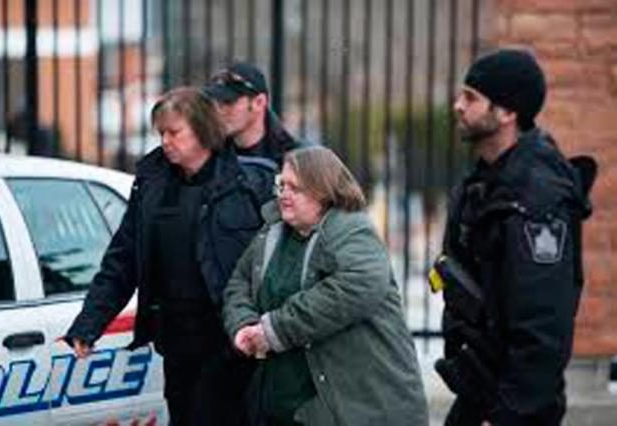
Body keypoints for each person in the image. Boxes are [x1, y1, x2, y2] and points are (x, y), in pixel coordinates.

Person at [65, 87, 275, 425]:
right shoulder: (152, 185)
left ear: (203, 131)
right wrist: (90, 324)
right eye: (161, 132)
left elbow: (276, 259)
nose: (165, 141)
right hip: (176, 340)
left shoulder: (251, 184)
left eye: (174, 132)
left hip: (230, 341)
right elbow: (122, 259)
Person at [435, 49, 596, 425]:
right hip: (480, 392)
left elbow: (543, 324)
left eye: (471, 98)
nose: (458, 106)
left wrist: (509, 414)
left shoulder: (537, 198)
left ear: (507, 112)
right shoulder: (483, 185)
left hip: (515, 407)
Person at [222, 146, 428, 426]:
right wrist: (244, 324)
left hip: (351, 409)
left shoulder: (351, 230)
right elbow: (239, 283)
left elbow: (358, 284)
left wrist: (275, 330)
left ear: (323, 191)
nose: (284, 194)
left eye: (295, 187)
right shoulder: (272, 232)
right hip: (281, 407)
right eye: (281, 185)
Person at [202, 62, 302, 166]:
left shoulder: (291, 160)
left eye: (228, 102)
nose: (219, 110)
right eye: (216, 102)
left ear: (259, 103)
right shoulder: (208, 154)